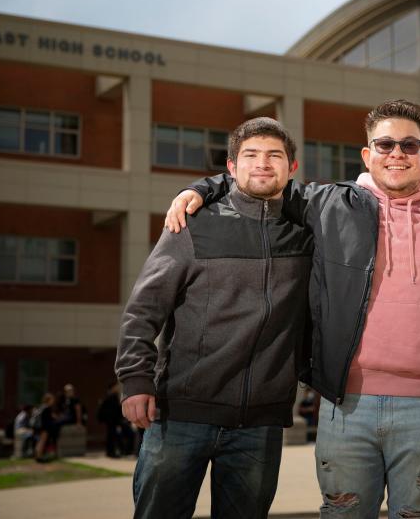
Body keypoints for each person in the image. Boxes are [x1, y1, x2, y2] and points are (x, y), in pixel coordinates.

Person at [166, 99, 420, 519]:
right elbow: (261, 182)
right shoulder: (329, 204)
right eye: (385, 144)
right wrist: (201, 188)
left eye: (409, 146)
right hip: (347, 402)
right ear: (367, 154)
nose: (396, 154)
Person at [116, 117, 313, 519]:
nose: (262, 163)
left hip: (261, 423)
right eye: (251, 155)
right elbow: (144, 308)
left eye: (274, 156)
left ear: (291, 169)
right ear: (231, 167)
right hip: (180, 415)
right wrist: (135, 378)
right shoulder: (192, 225)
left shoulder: (307, 232)